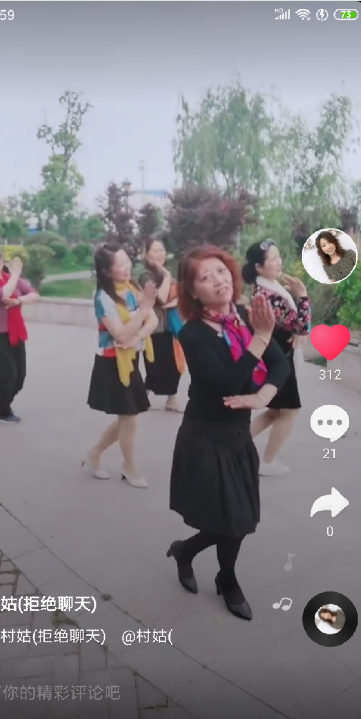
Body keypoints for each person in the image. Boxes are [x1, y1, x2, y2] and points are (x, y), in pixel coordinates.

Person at [167, 245, 289, 621]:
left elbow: (280, 364)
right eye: (205, 277)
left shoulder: (244, 318)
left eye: (221, 271)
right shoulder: (193, 334)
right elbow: (225, 385)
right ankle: (227, 579)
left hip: (237, 437)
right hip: (206, 439)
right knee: (230, 521)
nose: (218, 280)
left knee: (239, 518)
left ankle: (186, 551)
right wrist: (260, 339)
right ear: (193, 291)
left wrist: (263, 396)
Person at [85, 243, 158, 488]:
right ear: (106, 271)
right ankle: (129, 466)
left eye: (127, 261)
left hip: (130, 359)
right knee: (130, 417)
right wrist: (142, 313)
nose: (127, 267)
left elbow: (153, 321)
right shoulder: (104, 298)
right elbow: (120, 334)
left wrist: (138, 336)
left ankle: (95, 453)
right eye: (120, 264)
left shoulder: (131, 289)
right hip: (111, 362)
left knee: (128, 416)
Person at [242, 240, 311, 477]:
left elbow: (297, 328)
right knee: (290, 411)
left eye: (278, 256)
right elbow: (300, 325)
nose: (279, 261)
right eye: (272, 259)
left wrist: (299, 329)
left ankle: (233, 445)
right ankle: (267, 462)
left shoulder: (267, 288)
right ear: (259, 267)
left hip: (278, 354)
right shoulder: (268, 295)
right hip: (278, 358)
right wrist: (302, 296)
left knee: (274, 411)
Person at [0, 247, 39, 423]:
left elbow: (34, 295)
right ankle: (2, 411)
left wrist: (18, 300)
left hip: (16, 331)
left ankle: (3, 403)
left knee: (20, 376)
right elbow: (3, 294)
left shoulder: (12, 279)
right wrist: (15, 274)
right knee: (6, 375)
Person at [139, 238, 185, 412]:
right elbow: (161, 298)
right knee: (154, 366)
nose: (159, 254)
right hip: (154, 328)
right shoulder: (146, 276)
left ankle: (171, 399)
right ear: (146, 254)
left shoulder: (166, 275)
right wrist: (166, 277)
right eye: (155, 250)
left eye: (161, 250)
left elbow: (179, 295)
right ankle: (143, 396)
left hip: (171, 326)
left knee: (175, 364)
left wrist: (177, 301)